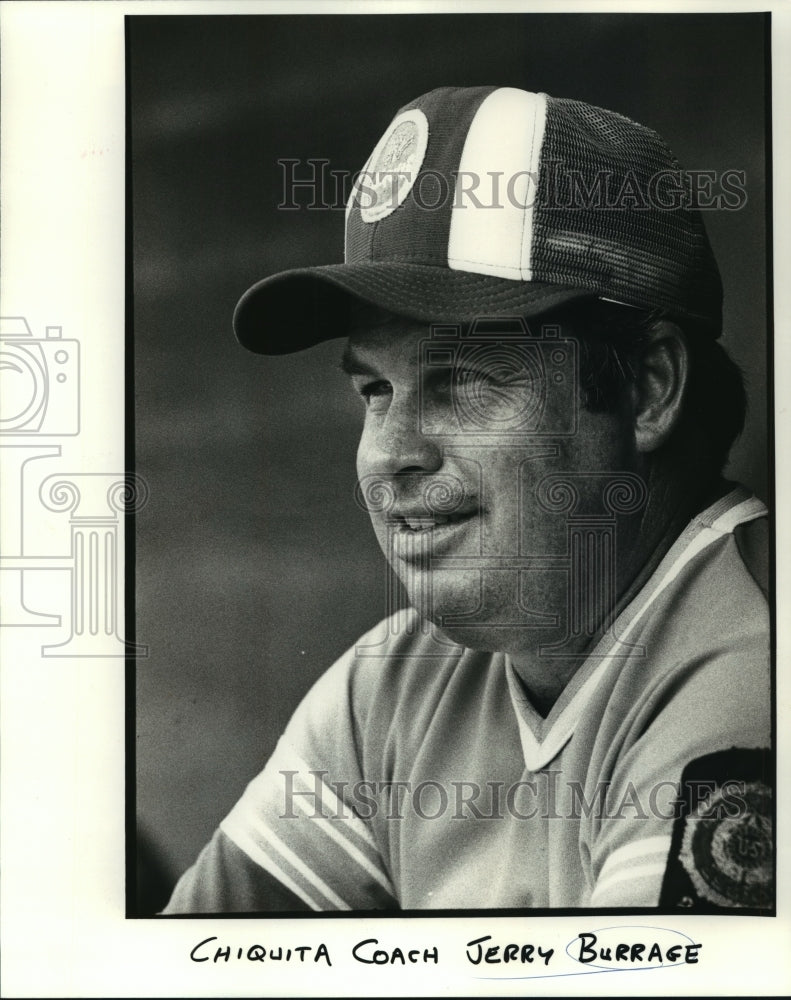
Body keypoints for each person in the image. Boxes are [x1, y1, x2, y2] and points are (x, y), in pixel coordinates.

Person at [163, 86, 771, 913]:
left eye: (461, 381)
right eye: (376, 390)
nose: (390, 456)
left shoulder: (754, 662)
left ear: (646, 390)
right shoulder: (393, 684)